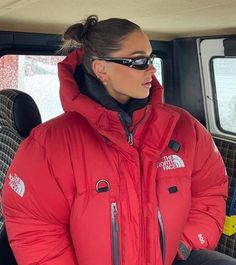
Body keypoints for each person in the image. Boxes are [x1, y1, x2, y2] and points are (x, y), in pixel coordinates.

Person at [1, 15, 235, 265]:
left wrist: (187, 242)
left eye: (151, 57)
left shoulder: (184, 127)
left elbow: (210, 188)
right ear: (102, 69)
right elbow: (36, 229)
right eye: (139, 61)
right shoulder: (48, 145)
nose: (152, 69)